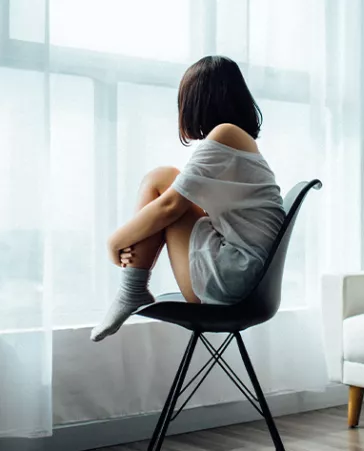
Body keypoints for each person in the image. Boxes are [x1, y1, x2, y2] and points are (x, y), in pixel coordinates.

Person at [91, 56, 284, 342]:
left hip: (234, 280)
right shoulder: (238, 141)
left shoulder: (226, 134)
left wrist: (114, 241)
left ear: (198, 100)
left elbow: (171, 206)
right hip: (245, 278)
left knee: (160, 181)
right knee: (166, 179)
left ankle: (131, 289)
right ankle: (132, 289)